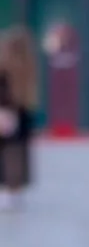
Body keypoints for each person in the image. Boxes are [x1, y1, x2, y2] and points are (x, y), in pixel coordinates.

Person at [0, 25, 39, 211]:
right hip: (23, 113)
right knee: (19, 152)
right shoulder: (28, 67)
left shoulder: (6, 66)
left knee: (7, 153)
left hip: (6, 112)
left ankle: (7, 190)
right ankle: (15, 191)